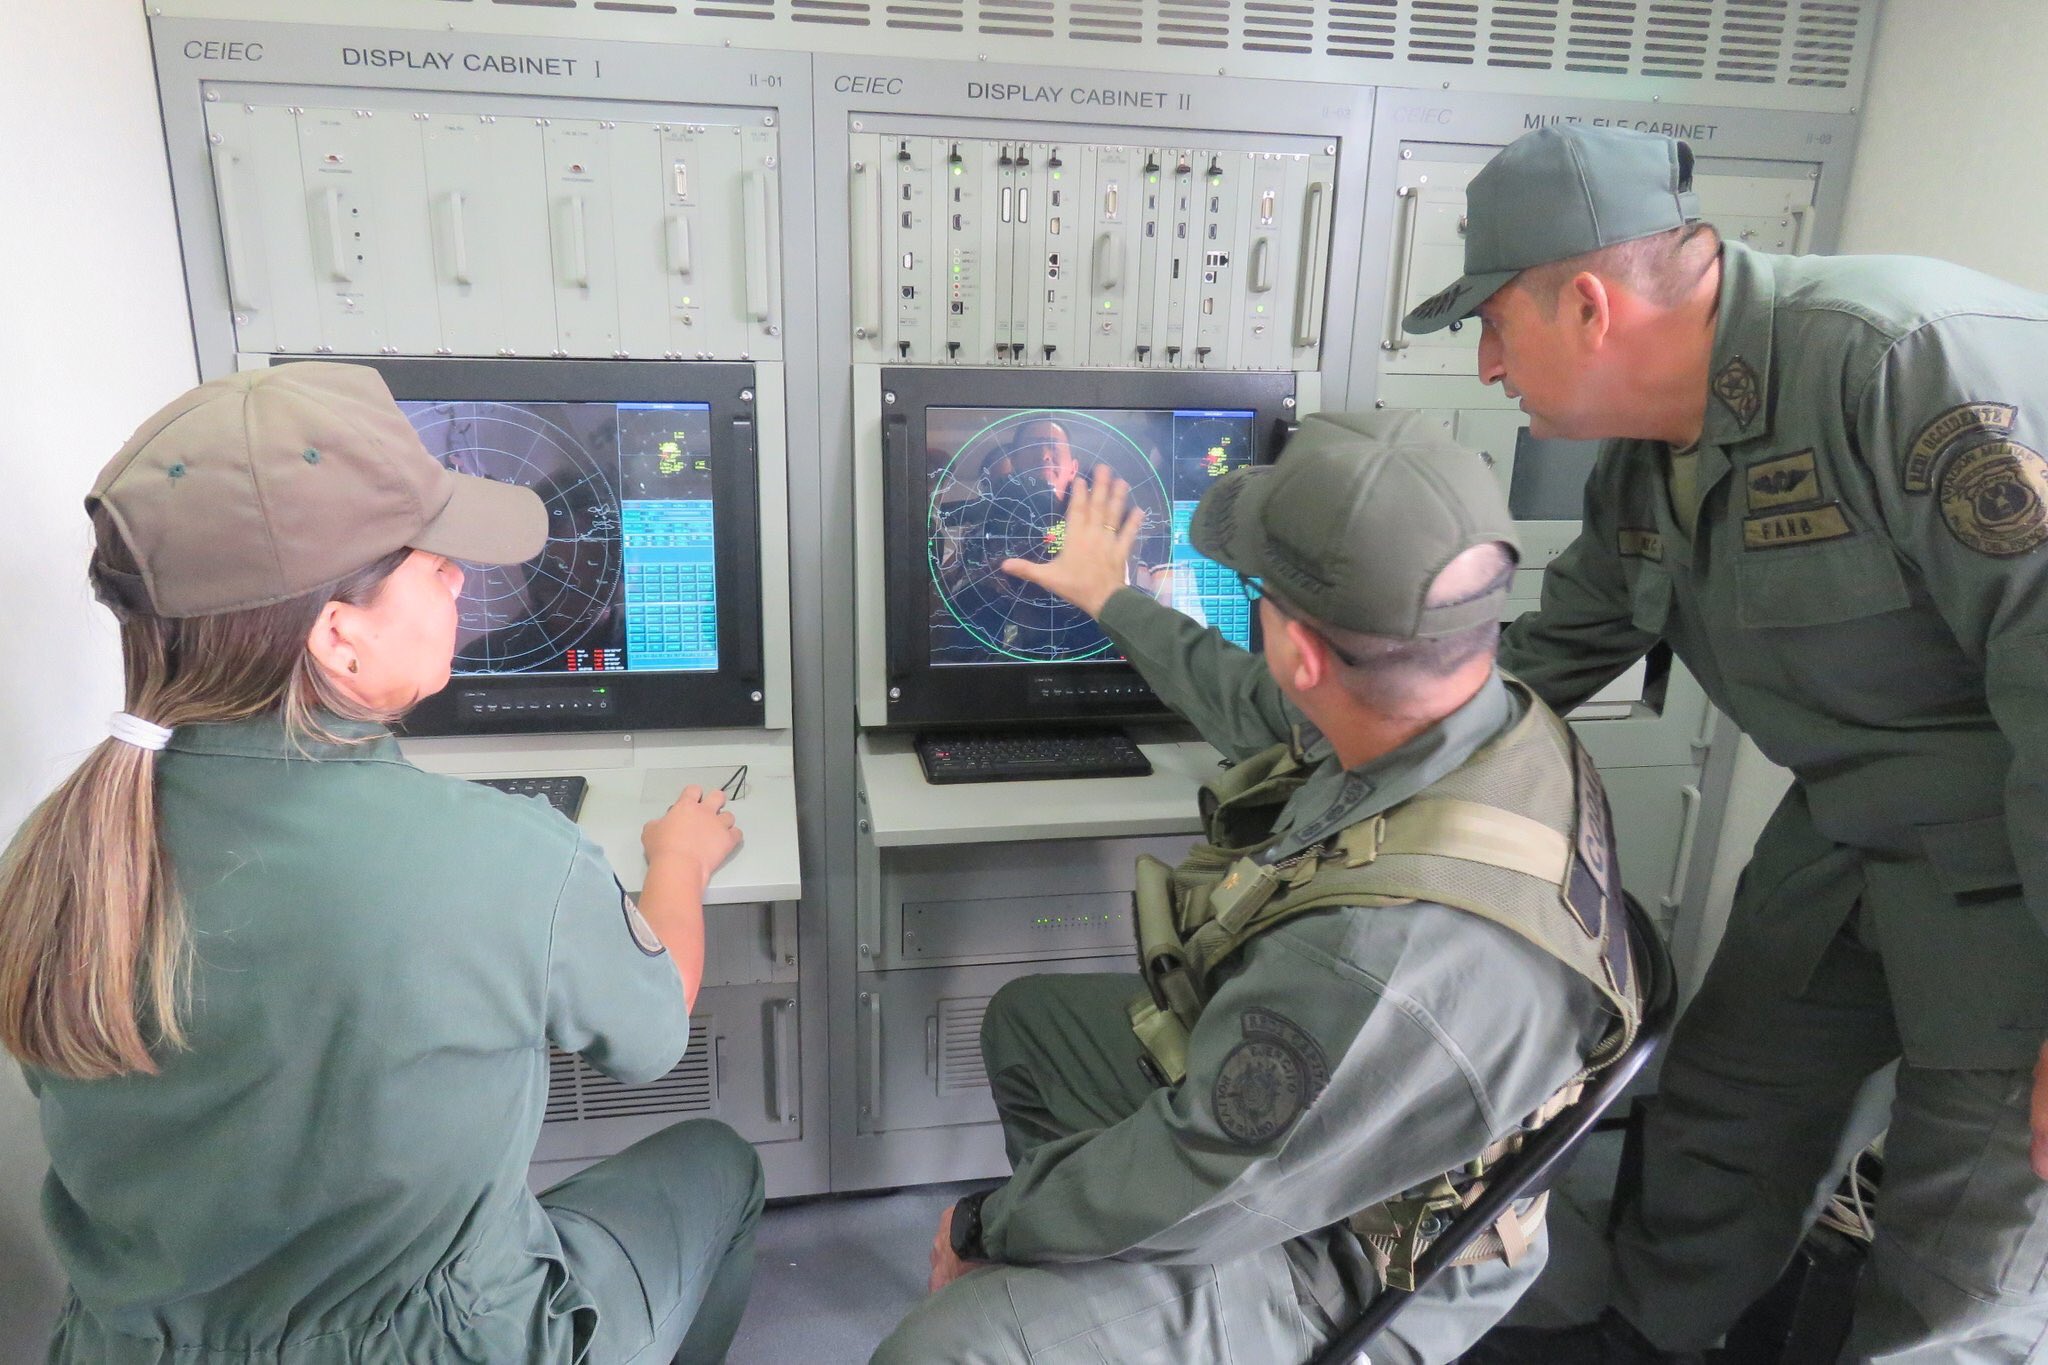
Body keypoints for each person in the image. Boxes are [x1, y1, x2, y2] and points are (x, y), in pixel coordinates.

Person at [1402, 125, 2048, 1362]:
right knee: (1722, 1116)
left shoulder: (1897, 363)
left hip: (2016, 866)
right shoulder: (1648, 465)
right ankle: (1649, 1342)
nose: (1484, 365)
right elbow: (1539, 665)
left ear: (1585, 306)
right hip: (1844, 834)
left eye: (1491, 324)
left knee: (1963, 1258)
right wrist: (1342, 738)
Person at [0, 363, 763, 1363]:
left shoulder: (58, 849)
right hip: (434, 1347)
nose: (459, 579)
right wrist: (679, 861)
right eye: (431, 561)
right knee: (719, 1164)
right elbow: (655, 1031)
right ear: (340, 639)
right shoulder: (501, 858)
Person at [870, 411, 1645, 1364]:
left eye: (1258, 597)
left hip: (1358, 1262)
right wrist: (1112, 597)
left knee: (943, 1349)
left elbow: (1205, 1161)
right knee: (1034, 1028)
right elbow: (1254, 705)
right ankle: (1088, 1285)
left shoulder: (1373, 946)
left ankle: (1076, 1294)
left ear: (1304, 654)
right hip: (1339, 1138)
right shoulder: (1478, 713)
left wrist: (992, 1225)